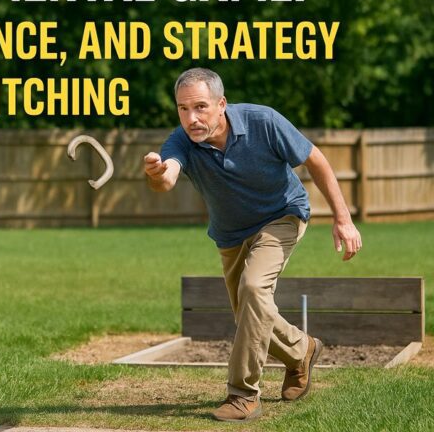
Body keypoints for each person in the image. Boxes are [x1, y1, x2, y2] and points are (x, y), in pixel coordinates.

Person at [143, 68, 362, 422]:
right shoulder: (182, 141)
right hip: (230, 233)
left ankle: (243, 394)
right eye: (183, 109)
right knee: (248, 311)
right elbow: (167, 178)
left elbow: (316, 160)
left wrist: (343, 219)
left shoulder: (263, 122)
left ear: (222, 104)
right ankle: (301, 351)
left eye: (200, 107)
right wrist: (156, 172)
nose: (192, 118)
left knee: (253, 288)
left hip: (282, 216)